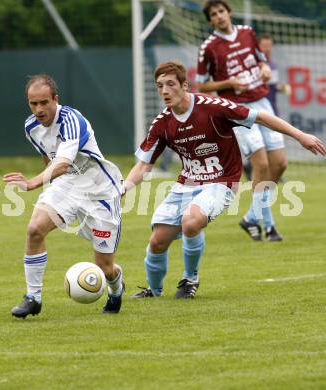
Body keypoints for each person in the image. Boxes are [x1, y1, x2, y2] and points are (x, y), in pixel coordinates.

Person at [124, 60, 325, 299]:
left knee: (191, 221)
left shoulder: (212, 107)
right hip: (186, 183)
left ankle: (190, 280)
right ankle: (154, 291)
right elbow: (144, 164)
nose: (165, 91)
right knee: (157, 242)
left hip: (222, 181)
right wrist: (125, 186)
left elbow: (259, 116)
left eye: (170, 84)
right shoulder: (162, 123)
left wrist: (300, 135)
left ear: (185, 85)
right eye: (160, 86)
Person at [4, 74, 125, 318]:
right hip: (68, 184)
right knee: (35, 229)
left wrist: (33, 183)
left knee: (105, 266)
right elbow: (48, 158)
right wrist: (51, 190)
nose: (39, 109)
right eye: (33, 103)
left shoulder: (72, 120)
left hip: (98, 189)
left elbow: (62, 162)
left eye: (44, 103)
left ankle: (116, 287)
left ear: (55, 100)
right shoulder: (31, 127)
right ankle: (33, 298)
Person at [196, 0, 287, 241]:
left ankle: (251, 217)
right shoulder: (209, 47)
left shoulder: (247, 32)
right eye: (213, 14)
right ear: (210, 20)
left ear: (229, 12)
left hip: (262, 101)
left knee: (280, 164)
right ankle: (267, 224)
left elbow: (260, 60)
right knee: (262, 164)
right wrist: (229, 84)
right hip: (237, 110)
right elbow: (202, 83)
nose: (219, 16)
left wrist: (264, 68)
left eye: (221, 11)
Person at [243, 34, 292, 180]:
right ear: (258, 47)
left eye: (269, 45)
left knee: (274, 143)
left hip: (272, 108)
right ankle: (250, 167)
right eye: (264, 45)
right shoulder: (253, 65)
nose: (267, 48)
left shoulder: (273, 65)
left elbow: (272, 86)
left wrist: (283, 88)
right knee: (260, 145)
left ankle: (270, 171)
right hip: (257, 110)